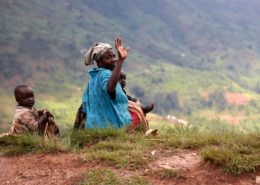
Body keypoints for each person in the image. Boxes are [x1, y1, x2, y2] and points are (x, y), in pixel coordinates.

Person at [82, 37, 132, 129]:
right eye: (108, 58)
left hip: (94, 128)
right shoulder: (105, 73)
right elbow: (110, 89)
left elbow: (85, 105)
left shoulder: (93, 79)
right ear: (99, 62)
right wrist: (120, 60)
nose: (113, 59)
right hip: (111, 127)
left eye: (113, 56)